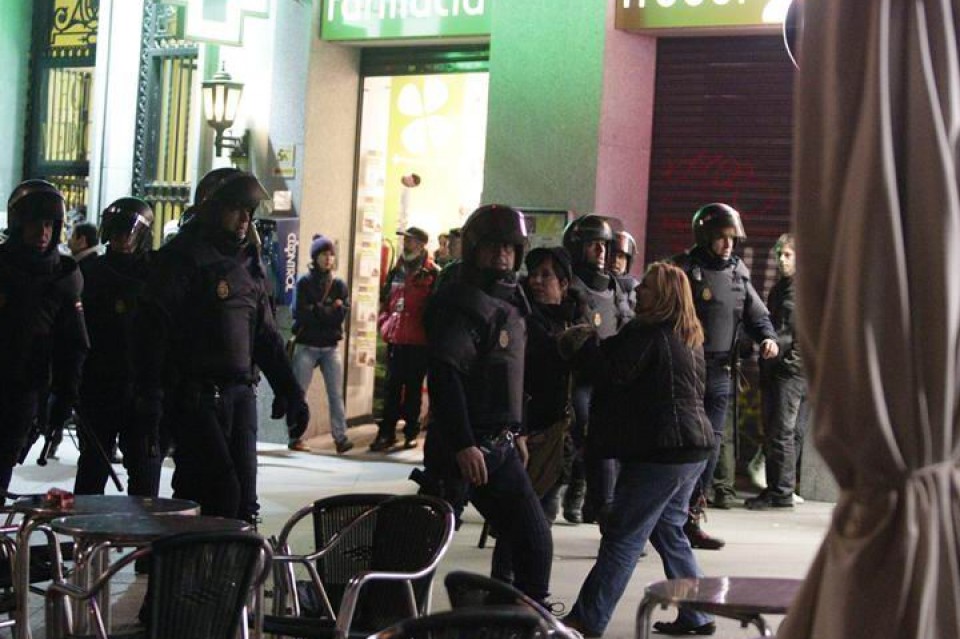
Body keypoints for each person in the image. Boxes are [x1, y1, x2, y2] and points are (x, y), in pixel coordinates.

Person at [134, 168, 309, 523]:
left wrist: (290, 390)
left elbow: (264, 335)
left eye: (249, 210)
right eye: (236, 209)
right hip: (194, 395)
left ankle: (235, 576)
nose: (245, 219)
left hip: (240, 394)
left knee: (244, 501)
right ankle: (186, 569)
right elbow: (152, 334)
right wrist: (151, 400)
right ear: (212, 209)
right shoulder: (181, 258)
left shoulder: (247, 261)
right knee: (217, 491)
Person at [562, 262, 717, 638]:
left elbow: (612, 376)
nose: (637, 292)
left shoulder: (647, 332)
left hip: (661, 452)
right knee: (668, 529)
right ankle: (697, 613)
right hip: (693, 448)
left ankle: (586, 621)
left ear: (662, 296)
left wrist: (583, 346)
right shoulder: (689, 335)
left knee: (623, 537)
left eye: (646, 288)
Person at [423, 204, 553, 603]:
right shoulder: (459, 302)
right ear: (475, 249)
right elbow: (445, 377)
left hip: (500, 446)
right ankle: (384, 614)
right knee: (419, 547)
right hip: (460, 448)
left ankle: (524, 619)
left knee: (534, 541)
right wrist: (462, 442)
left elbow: (513, 373)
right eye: (493, 247)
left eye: (509, 248)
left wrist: (518, 430)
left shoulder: (514, 303)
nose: (502, 255)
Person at [673, 202, 778, 549]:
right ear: (705, 236)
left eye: (733, 238)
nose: (729, 245)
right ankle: (666, 516)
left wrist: (767, 338)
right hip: (686, 370)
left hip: (721, 371)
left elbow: (756, 313)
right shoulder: (684, 271)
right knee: (682, 443)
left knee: (711, 446)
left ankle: (691, 517)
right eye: (722, 237)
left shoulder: (738, 273)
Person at [0, 180, 89, 497]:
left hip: (26, 386)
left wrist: (66, 395)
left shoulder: (63, 275)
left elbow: (74, 343)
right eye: (36, 224)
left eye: (50, 225)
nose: (43, 233)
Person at [74, 197, 160, 496]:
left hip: (143, 388)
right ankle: (86, 540)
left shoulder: (156, 275)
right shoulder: (90, 273)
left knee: (145, 478)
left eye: (129, 232)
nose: (123, 238)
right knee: (92, 472)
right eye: (118, 231)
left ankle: (143, 543)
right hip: (100, 385)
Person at [562, 214, 634, 525]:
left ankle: (597, 501)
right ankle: (579, 488)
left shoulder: (616, 288)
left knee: (609, 440)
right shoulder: (567, 286)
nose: (602, 252)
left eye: (604, 245)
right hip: (575, 377)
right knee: (585, 432)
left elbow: (626, 325)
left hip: (608, 377)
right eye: (594, 245)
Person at [519, 247, 586, 522]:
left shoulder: (576, 318)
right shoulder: (522, 318)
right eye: (533, 274)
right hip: (532, 430)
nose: (536, 280)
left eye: (545, 275)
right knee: (527, 518)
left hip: (564, 433)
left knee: (539, 517)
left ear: (564, 283)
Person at [746, 233, 808, 510]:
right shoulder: (782, 289)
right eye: (779, 255)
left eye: (788, 255)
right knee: (779, 430)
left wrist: (790, 363)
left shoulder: (803, 291)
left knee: (782, 430)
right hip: (780, 369)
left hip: (790, 373)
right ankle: (777, 488)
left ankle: (781, 492)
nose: (781, 260)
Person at [371, 226, 439, 451]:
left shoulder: (432, 273)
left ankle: (411, 431)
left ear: (420, 245)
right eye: (405, 240)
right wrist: (384, 324)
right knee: (391, 388)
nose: (405, 244)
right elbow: (385, 300)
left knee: (412, 390)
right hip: (396, 339)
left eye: (409, 241)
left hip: (419, 342)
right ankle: (386, 433)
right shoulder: (396, 270)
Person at [288, 234, 353, 454]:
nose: (328, 259)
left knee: (335, 394)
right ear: (315, 257)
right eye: (324, 254)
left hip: (330, 346)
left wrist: (319, 309)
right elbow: (300, 313)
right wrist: (329, 309)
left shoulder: (339, 285)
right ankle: (295, 435)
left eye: (331, 255)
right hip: (307, 345)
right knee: (300, 393)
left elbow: (340, 316)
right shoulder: (304, 282)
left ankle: (341, 437)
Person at [609, 230, 639, 310]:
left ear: (628, 261)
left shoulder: (635, 289)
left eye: (621, 256)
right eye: (612, 255)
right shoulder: (599, 283)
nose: (615, 260)